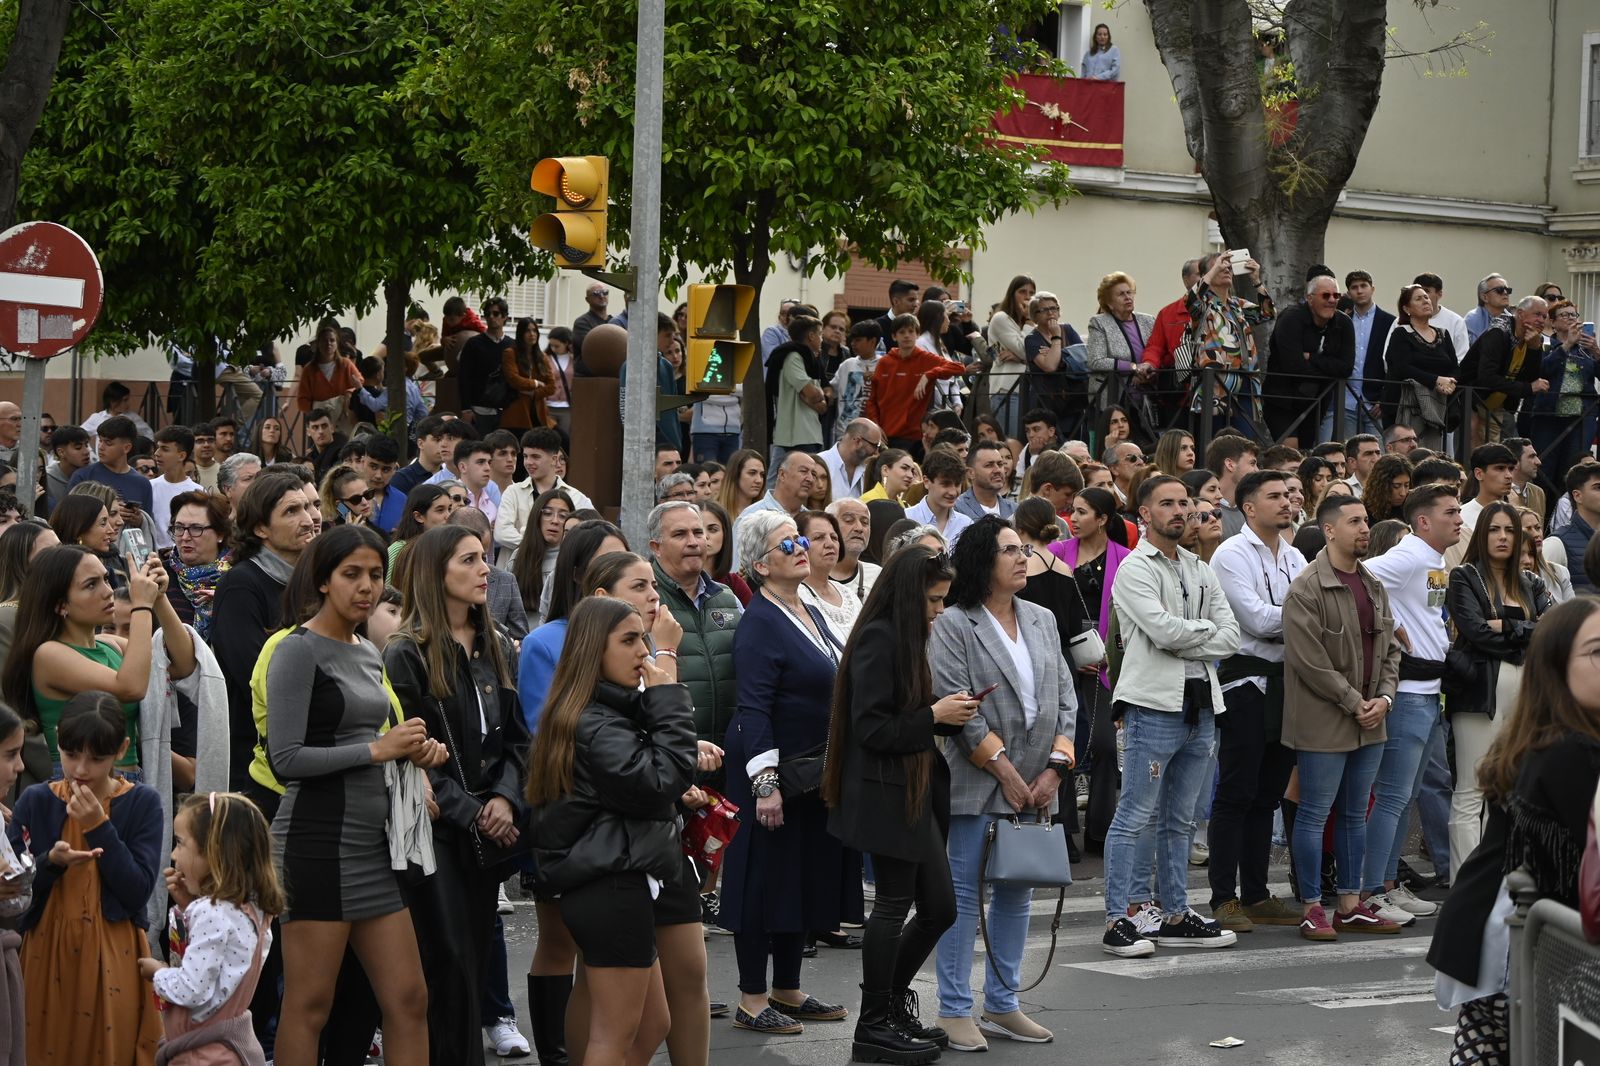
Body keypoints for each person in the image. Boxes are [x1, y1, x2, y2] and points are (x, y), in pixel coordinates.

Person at [265, 526, 438, 1066]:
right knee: (310, 1004)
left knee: (409, 999)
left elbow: (375, 741)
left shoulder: (366, 647)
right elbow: (285, 758)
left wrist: (415, 753)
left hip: (374, 846)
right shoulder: (296, 650)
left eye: (375, 575)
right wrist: (377, 750)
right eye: (351, 574)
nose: (366, 587)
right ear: (321, 580)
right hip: (316, 844)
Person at [525, 596, 696, 1066]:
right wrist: (667, 700)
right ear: (591, 653)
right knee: (613, 1035)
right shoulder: (595, 723)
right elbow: (662, 781)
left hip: (615, 879)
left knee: (652, 1024)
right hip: (611, 884)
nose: (643, 650)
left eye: (643, 637)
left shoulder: (596, 713)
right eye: (628, 640)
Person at [1429, 597, 1600, 1063]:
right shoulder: (1568, 748)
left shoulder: (1551, 732)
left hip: (1504, 935)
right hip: (1515, 946)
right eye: (1598, 653)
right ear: (1557, 667)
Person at [927, 516, 1074, 1049]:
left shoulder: (1042, 618)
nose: (1022, 557)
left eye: (1024, 549)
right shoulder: (954, 623)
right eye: (1009, 549)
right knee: (964, 896)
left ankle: (1004, 1002)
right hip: (979, 779)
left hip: (1039, 782)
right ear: (981, 562)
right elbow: (959, 707)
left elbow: (1066, 699)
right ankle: (952, 1008)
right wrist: (1008, 773)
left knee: (1017, 893)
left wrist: (1055, 769)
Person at [385, 525, 529, 1066]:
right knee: (445, 964)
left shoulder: (497, 645)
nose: (484, 569)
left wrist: (506, 800)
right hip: (431, 830)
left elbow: (519, 740)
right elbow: (409, 751)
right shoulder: (406, 652)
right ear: (435, 573)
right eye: (469, 560)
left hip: (487, 828)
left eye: (484, 558)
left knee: (471, 958)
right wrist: (475, 810)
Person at [822, 545, 972, 1062]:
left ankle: (887, 1007)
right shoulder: (879, 638)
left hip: (913, 787)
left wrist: (945, 715)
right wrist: (934, 715)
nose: (939, 610)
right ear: (910, 595)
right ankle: (874, 1023)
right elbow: (871, 728)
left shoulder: (904, 636)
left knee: (940, 908)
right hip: (886, 792)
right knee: (892, 906)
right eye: (934, 600)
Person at [720, 511, 850, 1035]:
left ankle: (788, 989)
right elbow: (753, 708)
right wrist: (765, 786)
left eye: (801, 538)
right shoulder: (759, 622)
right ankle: (752, 997)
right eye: (787, 542)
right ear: (759, 563)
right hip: (770, 771)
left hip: (811, 771)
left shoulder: (804, 609)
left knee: (797, 877)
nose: (801, 547)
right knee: (761, 879)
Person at [1101, 475, 1241, 958]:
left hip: (1202, 706)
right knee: (1135, 815)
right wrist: (1199, 633)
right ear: (1144, 514)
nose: (1181, 511)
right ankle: (1118, 917)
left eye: (1186, 503)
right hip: (1153, 706)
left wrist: (1191, 633)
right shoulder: (1135, 569)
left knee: (1181, 820)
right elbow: (1161, 632)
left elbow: (1232, 636)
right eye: (1168, 504)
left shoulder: (1200, 569)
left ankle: (1175, 914)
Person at [8, 692, 164, 1060]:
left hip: (114, 950)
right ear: (57, 737)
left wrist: (98, 826)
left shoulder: (142, 803)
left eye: (97, 759)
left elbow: (137, 890)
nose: (80, 769)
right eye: (71, 753)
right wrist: (49, 862)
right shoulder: (35, 800)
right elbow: (13, 891)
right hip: (45, 948)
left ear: (122, 749)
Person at [1281, 494, 1405, 939]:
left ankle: (1351, 904)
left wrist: (1384, 701)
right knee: (1315, 813)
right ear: (1329, 529)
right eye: (1354, 521)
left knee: (1356, 812)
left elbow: (1391, 648)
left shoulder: (1372, 583)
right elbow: (1309, 661)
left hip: (1371, 718)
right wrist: (1356, 702)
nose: (1364, 528)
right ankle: (1313, 905)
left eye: (1366, 521)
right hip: (1325, 719)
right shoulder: (1306, 588)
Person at [1203, 471, 1305, 933]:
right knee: (1236, 792)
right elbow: (1259, 620)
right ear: (1248, 507)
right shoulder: (1230, 554)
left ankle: (1258, 893)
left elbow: (1297, 615)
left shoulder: (1295, 553)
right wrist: (1304, 617)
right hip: (1245, 683)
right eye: (1275, 497)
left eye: (1288, 495)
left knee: (1267, 793)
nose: (1287, 503)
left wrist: (1301, 618)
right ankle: (1224, 896)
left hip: (1288, 682)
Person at [4, 543, 196, 782]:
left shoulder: (109, 645)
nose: (107, 591)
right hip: (79, 785)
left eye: (106, 579)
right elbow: (132, 687)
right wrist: (142, 606)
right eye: (90, 585)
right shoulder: (49, 654)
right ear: (60, 605)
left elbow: (184, 664)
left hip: (129, 782)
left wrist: (159, 598)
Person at [1359, 485, 1461, 923]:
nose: (1459, 518)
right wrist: (1392, 622)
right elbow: (1358, 574)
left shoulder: (1432, 559)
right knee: (1392, 796)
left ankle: (1386, 884)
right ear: (1423, 521)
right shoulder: (1411, 553)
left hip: (1428, 692)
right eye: (1450, 512)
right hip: (1406, 694)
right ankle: (1369, 890)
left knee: (1403, 797)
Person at [1443, 502, 1551, 881]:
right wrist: (1523, 630)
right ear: (1482, 534)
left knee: (1511, 788)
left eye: (1509, 530)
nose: (1503, 537)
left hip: (1527, 695)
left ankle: (1502, 881)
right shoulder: (1463, 576)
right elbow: (1475, 632)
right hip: (1479, 693)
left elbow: (1549, 632)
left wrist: (1505, 626)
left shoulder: (1532, 582)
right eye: (1494, 530)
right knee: (1472, 789)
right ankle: (1465, 883)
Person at [139, 791, 283, 1063]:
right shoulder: (251, 910)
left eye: (181, 844)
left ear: (213, 851)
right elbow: (222, 966)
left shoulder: (212, 912)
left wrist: (158, 973)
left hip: (202, 1053)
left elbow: (192, 989)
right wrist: (187, 906)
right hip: (227, 1049)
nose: (173, 854)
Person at [210, 471, 318, 788]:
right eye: (291, 511)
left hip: (313, 749)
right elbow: (254, 675)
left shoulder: (315, 582)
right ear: (261, 528)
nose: (309, 519)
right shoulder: (241, 584)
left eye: (308, 508)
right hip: (257, 762)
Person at [1052, 487, 1130, 852]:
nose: (1074, 519)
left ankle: (1100, 831)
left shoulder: (1126, 559)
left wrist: (1109, 656)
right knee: (1063, 746)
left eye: (1082, 512)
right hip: (1064, 665)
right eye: (1072, 511)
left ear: (1103, 519)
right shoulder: (1056, 554)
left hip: (1106, 667)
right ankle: (1064, 830)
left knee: (1104, 747)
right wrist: (1069, 655)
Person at [1261, 275, 1354, 446]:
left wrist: (1312, 358)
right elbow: (1293, 366)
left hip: (1317, 402)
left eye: (1336, 295)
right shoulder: (1291, 318)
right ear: (1310, 299)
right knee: (1291, 456)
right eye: (1326, 295)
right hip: (1283, 399)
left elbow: (1346, 368)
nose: (1332, 300)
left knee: (1308, 456)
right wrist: (1329, 368)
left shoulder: (1344, 323)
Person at [864, 314, 966, 452]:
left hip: (916, 438)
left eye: (911, 331)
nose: (907, 336)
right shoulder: (884, 363)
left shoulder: (926, 359)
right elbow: (872, 401)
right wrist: (876, 427)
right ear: (894, 336)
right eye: (902, 332)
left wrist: (928, 375)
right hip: (887, 435)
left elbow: (959, 367)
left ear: (917, 334)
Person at [495, 427, 594, 567]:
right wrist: (544, 545)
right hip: (517, 572)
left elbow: (591, 535)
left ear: (554, 459)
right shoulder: (513, 492)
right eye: (525, 456)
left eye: (535, 457)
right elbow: (501, 533)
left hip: (558, 572)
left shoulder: (576, 498)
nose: (528, 462)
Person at [1525, 299, 1599, 480]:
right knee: (1545, 469)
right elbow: (1540, 370)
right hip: (1549, 416)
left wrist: (1597, 351)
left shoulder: (1587, 348)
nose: (1570, 318)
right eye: (1564, 315)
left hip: (1581, 418)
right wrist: (1566, 346)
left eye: (1573, 315)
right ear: (1553, 322)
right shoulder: (1543, 345)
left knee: (1574, 469)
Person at [1384, 284, 1461, 451]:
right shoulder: (1401, 333)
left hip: (1438, 406)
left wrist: (1450, 383)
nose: (1426, 301)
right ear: (1407, 308)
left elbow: (1454, 367)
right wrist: (1436, 381)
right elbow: (1402, 367)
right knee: (1408, 454)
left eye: (1426, 297)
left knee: (1432, 456)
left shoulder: (1443, 334)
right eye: (1418, 299)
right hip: (1407, 405)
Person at [161, 490, 232, 638]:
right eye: (179, 528)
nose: (185, 537)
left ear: (220, 534)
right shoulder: (161, 577)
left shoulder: (238, 578)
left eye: (196, 528)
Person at [511, 487, 574, 624]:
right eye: (548, 513)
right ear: (537, 517)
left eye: (563, 516)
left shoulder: (573, 560)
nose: (555, 521)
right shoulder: (519, 556)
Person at [797, 509, 861, 638]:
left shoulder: (848, 594)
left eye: (834, 537)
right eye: (819, 538)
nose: (830, 544)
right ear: (799, 544)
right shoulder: (794, 596)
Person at [904, 449, 972, 546]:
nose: (953, 492)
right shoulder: (907, 518)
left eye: (957, 484)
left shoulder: (966, 524)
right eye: (945, 484)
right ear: (927, 482)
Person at [387, 483, 455, 571]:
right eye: (440, 510)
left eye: (449, 509)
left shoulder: (452, 546)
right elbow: (385, 584)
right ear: (418, 517)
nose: (448, 516)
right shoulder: (398, 550)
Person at [716, 448, 767, 526]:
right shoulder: (714, 510)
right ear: (735, 475)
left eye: (762, 474)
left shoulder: (767, 513)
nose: (759, 480)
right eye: (752, 473)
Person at [1360, 454, 1413, 526]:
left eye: (1406, 485)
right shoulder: (1364, 512)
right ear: (1381, 485)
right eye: (1396, 486)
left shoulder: (1412, 508)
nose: (1403, 493)